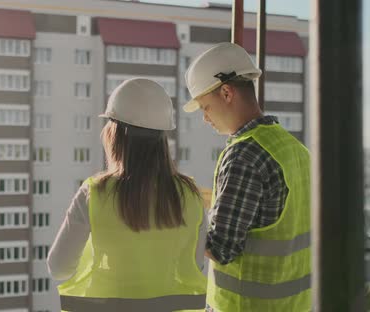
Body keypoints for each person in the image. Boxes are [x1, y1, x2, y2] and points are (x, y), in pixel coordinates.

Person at [47, 78, 207, 311]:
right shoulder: (190, 195)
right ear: (163, 138)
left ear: (115, 134)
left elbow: (59, 268)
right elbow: (195, 264)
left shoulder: (94, 193)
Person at [183, 42, 311, 311]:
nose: (205, 119)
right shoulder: (295, 149)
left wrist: (182, 215)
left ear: (227, 93)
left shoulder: (244, 156)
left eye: (205, 107)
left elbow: (221, 248)